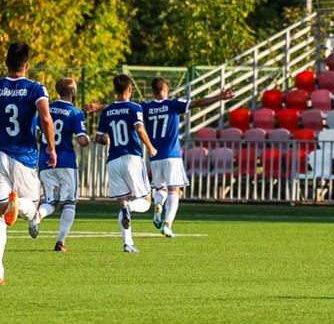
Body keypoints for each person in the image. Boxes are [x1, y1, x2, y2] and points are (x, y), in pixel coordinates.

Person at [0, 41, 55, 285]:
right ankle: (18, 205)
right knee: (34, 207)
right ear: (27, 66)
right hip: (23, 157)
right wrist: (51, 147)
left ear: (5, 63)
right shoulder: (35, 88)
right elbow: (46, 118)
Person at [141, 77, 234, 238]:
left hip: (154, 155)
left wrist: (101, 107)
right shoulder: (173, 104)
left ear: (153, 91)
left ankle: (158, 204)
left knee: (160, 188)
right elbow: (198, 102)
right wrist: (219, 97)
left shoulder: (145, 106)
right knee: (174, 189)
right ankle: (167, 224)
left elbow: (125, 108)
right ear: (165, 89)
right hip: (172, 155)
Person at [95, 73, 157, 253]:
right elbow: (139, 128)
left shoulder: (107, 111)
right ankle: (129, 209)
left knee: (122, 202)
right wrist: (151, 147)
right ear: (130, 89)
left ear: (115, 90)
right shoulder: (135, 108)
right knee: (145, 201)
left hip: (113, 161)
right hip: (131, 158)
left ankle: (128, 243)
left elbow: (98, 138)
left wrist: (108, 141)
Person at [27, 77, 88, 252]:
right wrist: (87, 138)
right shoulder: (75, 112)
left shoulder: (45, 109)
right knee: (70, 202)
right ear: (72, 91)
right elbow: (82, 140)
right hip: (66, 162)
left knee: (52, 202)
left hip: (46, 161)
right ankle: (60, 242)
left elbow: (36, 135)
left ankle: (39, 214)